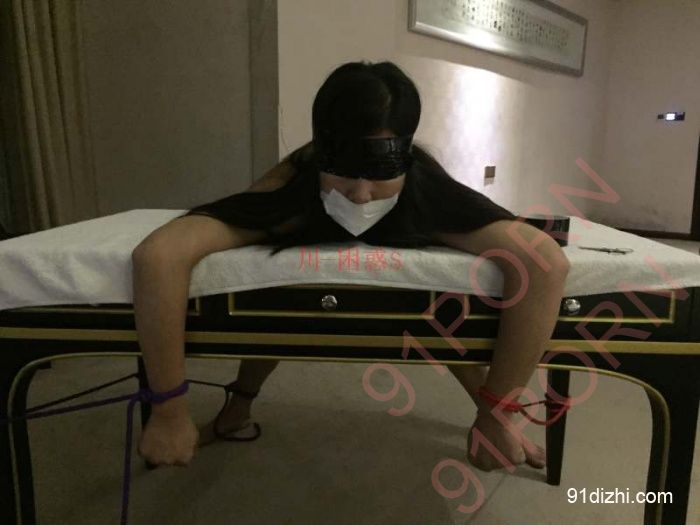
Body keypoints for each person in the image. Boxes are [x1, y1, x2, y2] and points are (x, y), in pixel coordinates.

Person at [131, 60, 570, 472]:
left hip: (416, 225)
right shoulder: (291, 189)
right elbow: (160, 254)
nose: (360, 195)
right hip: (303, 216)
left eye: (381, 173)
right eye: (343, 172)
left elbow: (543, 262)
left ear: (406, 158)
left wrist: (497, 414)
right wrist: (169, 410)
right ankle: (238, 407)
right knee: (278, 293)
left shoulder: (428, 194)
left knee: (443, 304)